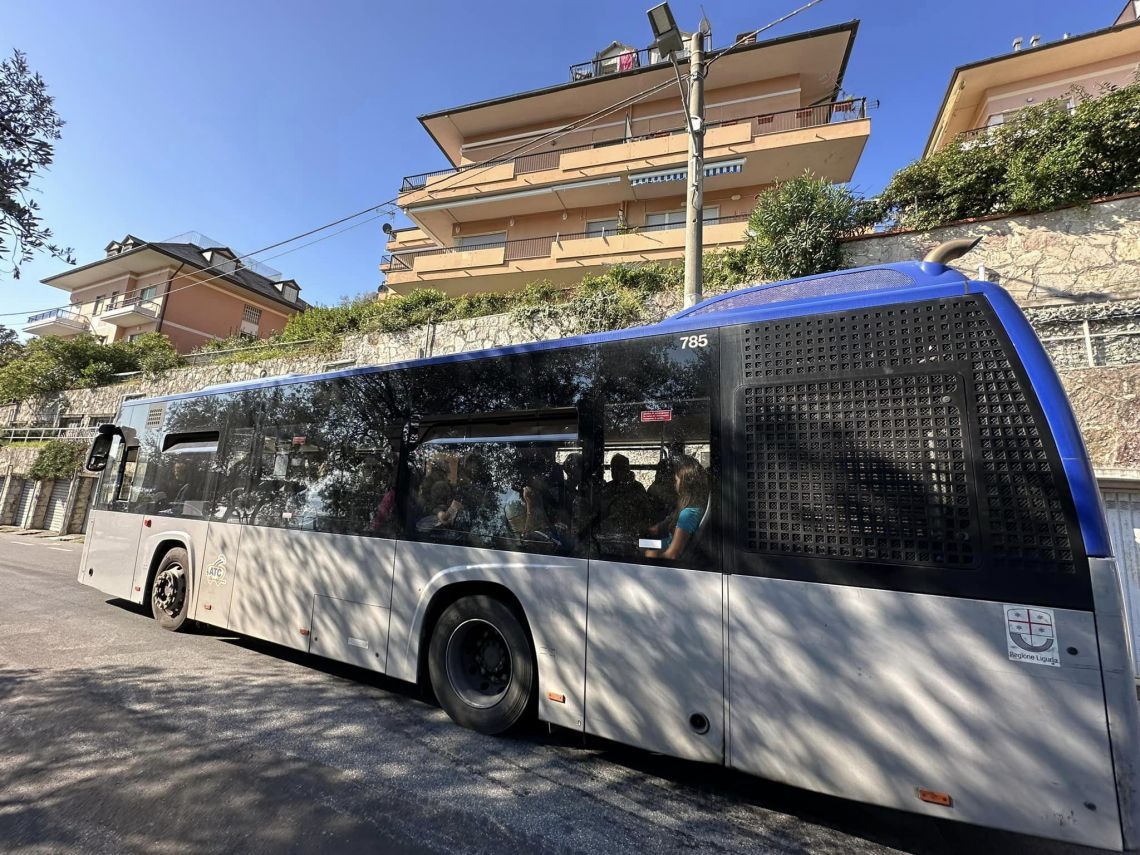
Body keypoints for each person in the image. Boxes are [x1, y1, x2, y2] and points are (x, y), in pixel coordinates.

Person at [642, 456, 709, 560]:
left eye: (676, 480)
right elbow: (667, 538)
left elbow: (672, 555)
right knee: (638, 543)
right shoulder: (696, 506)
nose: (674, 484)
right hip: (663, 543)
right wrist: (641, 543)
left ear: (685, 484)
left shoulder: (688, 514)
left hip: (667, 553)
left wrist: (643, 554)